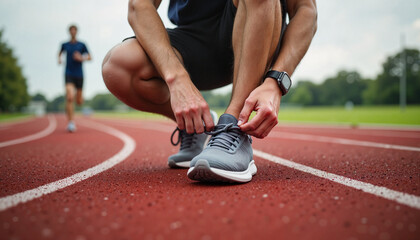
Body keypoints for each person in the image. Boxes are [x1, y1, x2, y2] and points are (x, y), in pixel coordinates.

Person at [102, 0, 317, 183]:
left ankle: (234, 127)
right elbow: (139, 5)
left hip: (258, 29)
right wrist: (177, 79)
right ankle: (196, 125)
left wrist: (276, 80)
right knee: (118, 67)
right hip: (195, 42)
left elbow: (305, 10)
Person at [58, 24, 91, 132]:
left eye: (74, 30)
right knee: (70, 97)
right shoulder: (65, 44)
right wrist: (59, 59)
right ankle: (71, 123)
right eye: (71, 30)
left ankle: (79, 97)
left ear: (76, 32)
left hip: (79, 74)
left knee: (79, 101)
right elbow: (59, 53)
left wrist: (81, 58)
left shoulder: (82, 45)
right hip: (68, 73)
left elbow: (90, 57)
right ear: (69, 32)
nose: (73, 32)